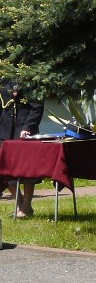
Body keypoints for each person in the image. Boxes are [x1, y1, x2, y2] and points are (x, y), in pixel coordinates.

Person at [0, 80, 44, 217]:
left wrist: (28, 127)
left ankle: (26, 206)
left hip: (24, 130)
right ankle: (20, 203)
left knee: (27, 170)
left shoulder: (31, 79)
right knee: (5, 170)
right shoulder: (3, 80)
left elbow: (37, 107)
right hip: (5, 130)